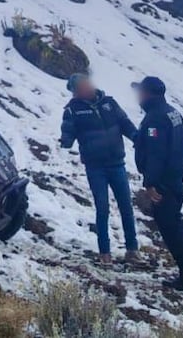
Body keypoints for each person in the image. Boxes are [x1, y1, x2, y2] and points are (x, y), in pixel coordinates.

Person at [132, 76, 183, 293]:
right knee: (178, 226)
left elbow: (156, 154)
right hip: (175, 180)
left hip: (164, 184)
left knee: (172, 231)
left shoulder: (155, 119)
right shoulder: (173, 113)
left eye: (141, 92)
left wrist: (151, 183)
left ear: (147, 93)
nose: (139, 97)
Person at [60, 73, 140, 264]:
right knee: (102, 208)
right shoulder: (73, 110)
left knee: (126, 207)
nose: (85, 89)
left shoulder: (109, 103)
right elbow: (67, 132)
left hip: (117, 164)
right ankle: (105, 252)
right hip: (95, 168)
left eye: (85, 85)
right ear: (75, 93)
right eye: (79, 89)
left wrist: (137, 137)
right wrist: (66, 139)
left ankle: (132, 250)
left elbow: (125, 123)